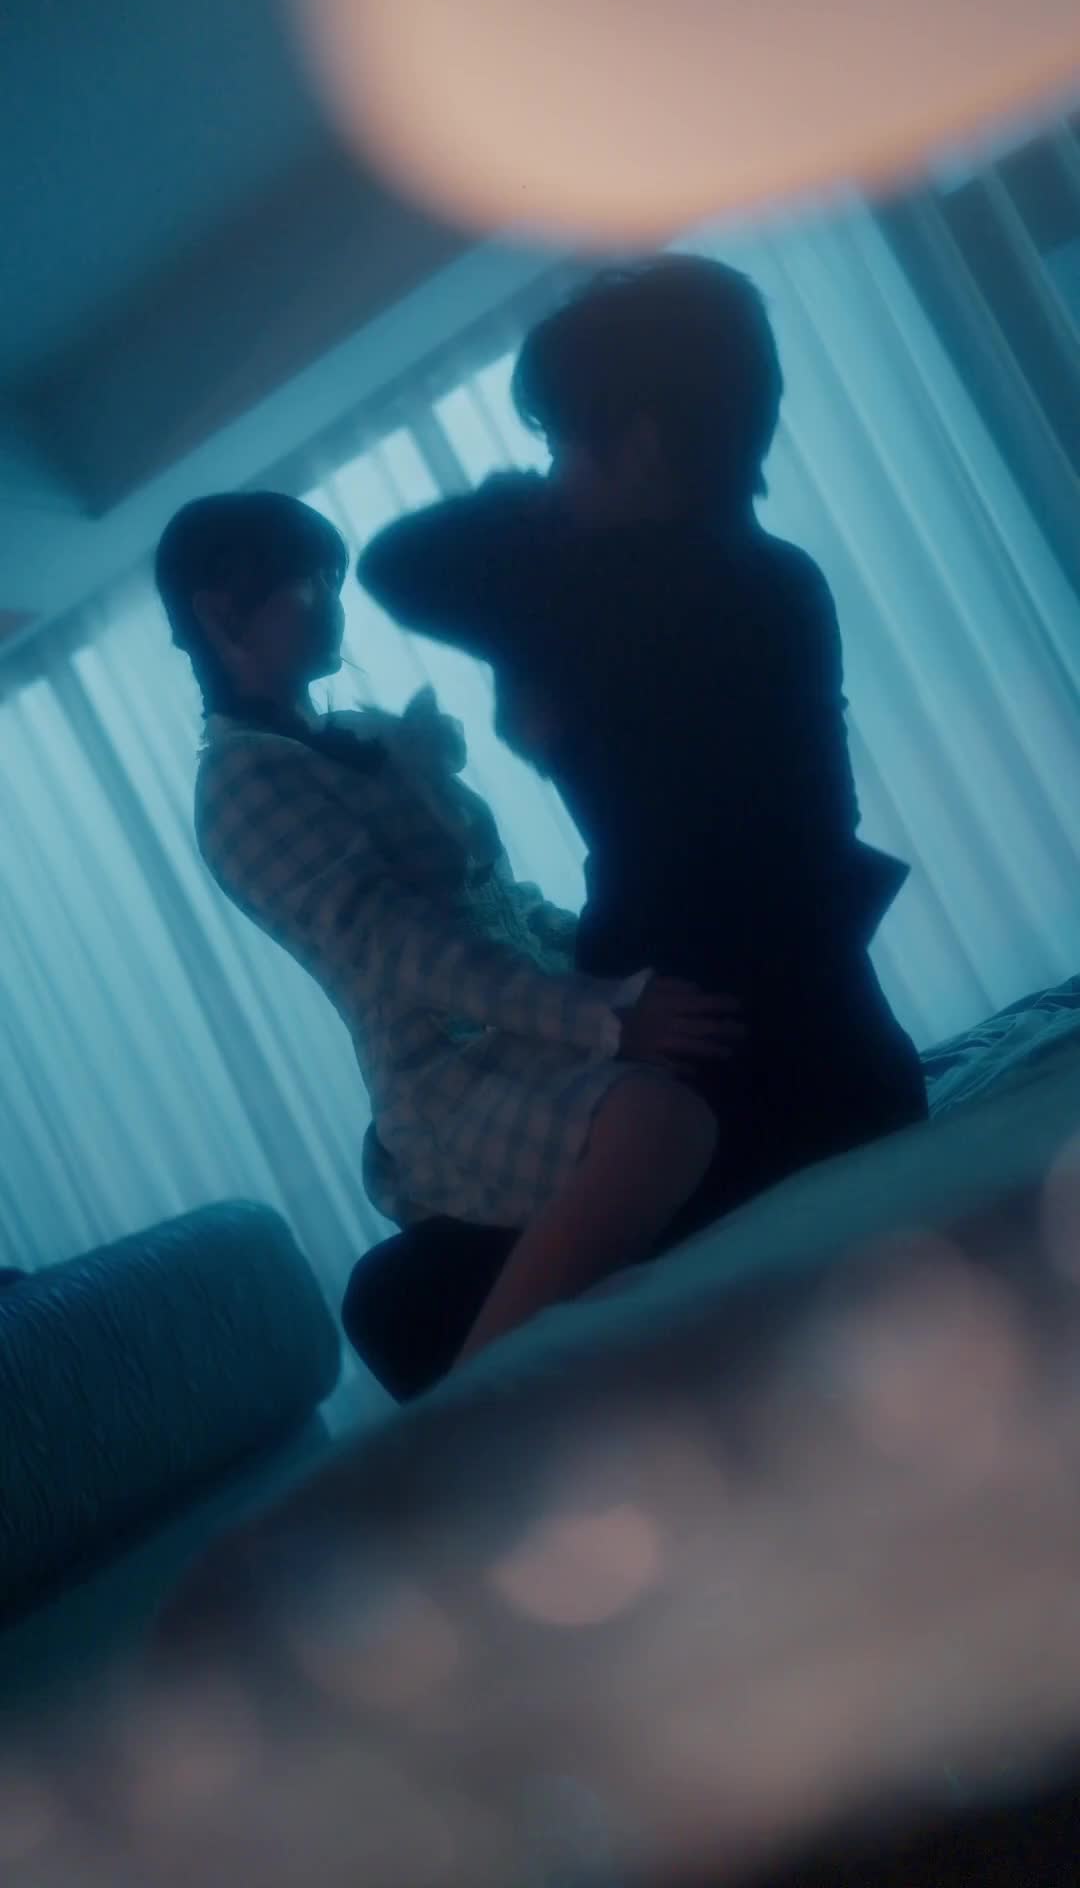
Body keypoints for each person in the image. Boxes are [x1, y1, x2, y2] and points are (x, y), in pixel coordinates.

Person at [358, 256, 928, 1226]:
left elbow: (396, 563)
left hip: (698, 1054)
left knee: (405, 1282)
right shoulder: (782, 581)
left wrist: (526, 553)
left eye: (561, 446)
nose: (550, 476)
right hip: (838, 1037)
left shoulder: (583, 593)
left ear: (644, 444)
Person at [154, 489, 739, 1367]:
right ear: (221, 612)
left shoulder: (363, 736)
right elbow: (403, 951)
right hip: (449, 1072)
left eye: (333, 579)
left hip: (529, 1027)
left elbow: (498, 900)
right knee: (660, 1124)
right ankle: (478, 1400)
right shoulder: (241, 785)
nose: (333, 602)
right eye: (308, 583)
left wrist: (614, 954)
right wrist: (606, 1014)